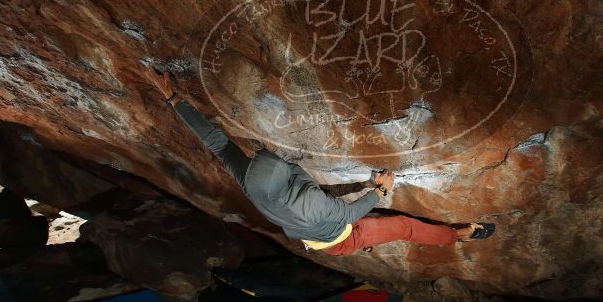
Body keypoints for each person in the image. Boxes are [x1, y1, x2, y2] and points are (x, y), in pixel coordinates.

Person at [146, 69, 495, 256]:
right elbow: (346, 213)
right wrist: (379, 191)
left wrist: (173, 98)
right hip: (340, 237)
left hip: (312, 223)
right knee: (403, 226)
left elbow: (217, 144)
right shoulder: (309, 203)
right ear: (284, 177)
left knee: (327, 192)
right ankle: (457, 236)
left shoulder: (250, 181)